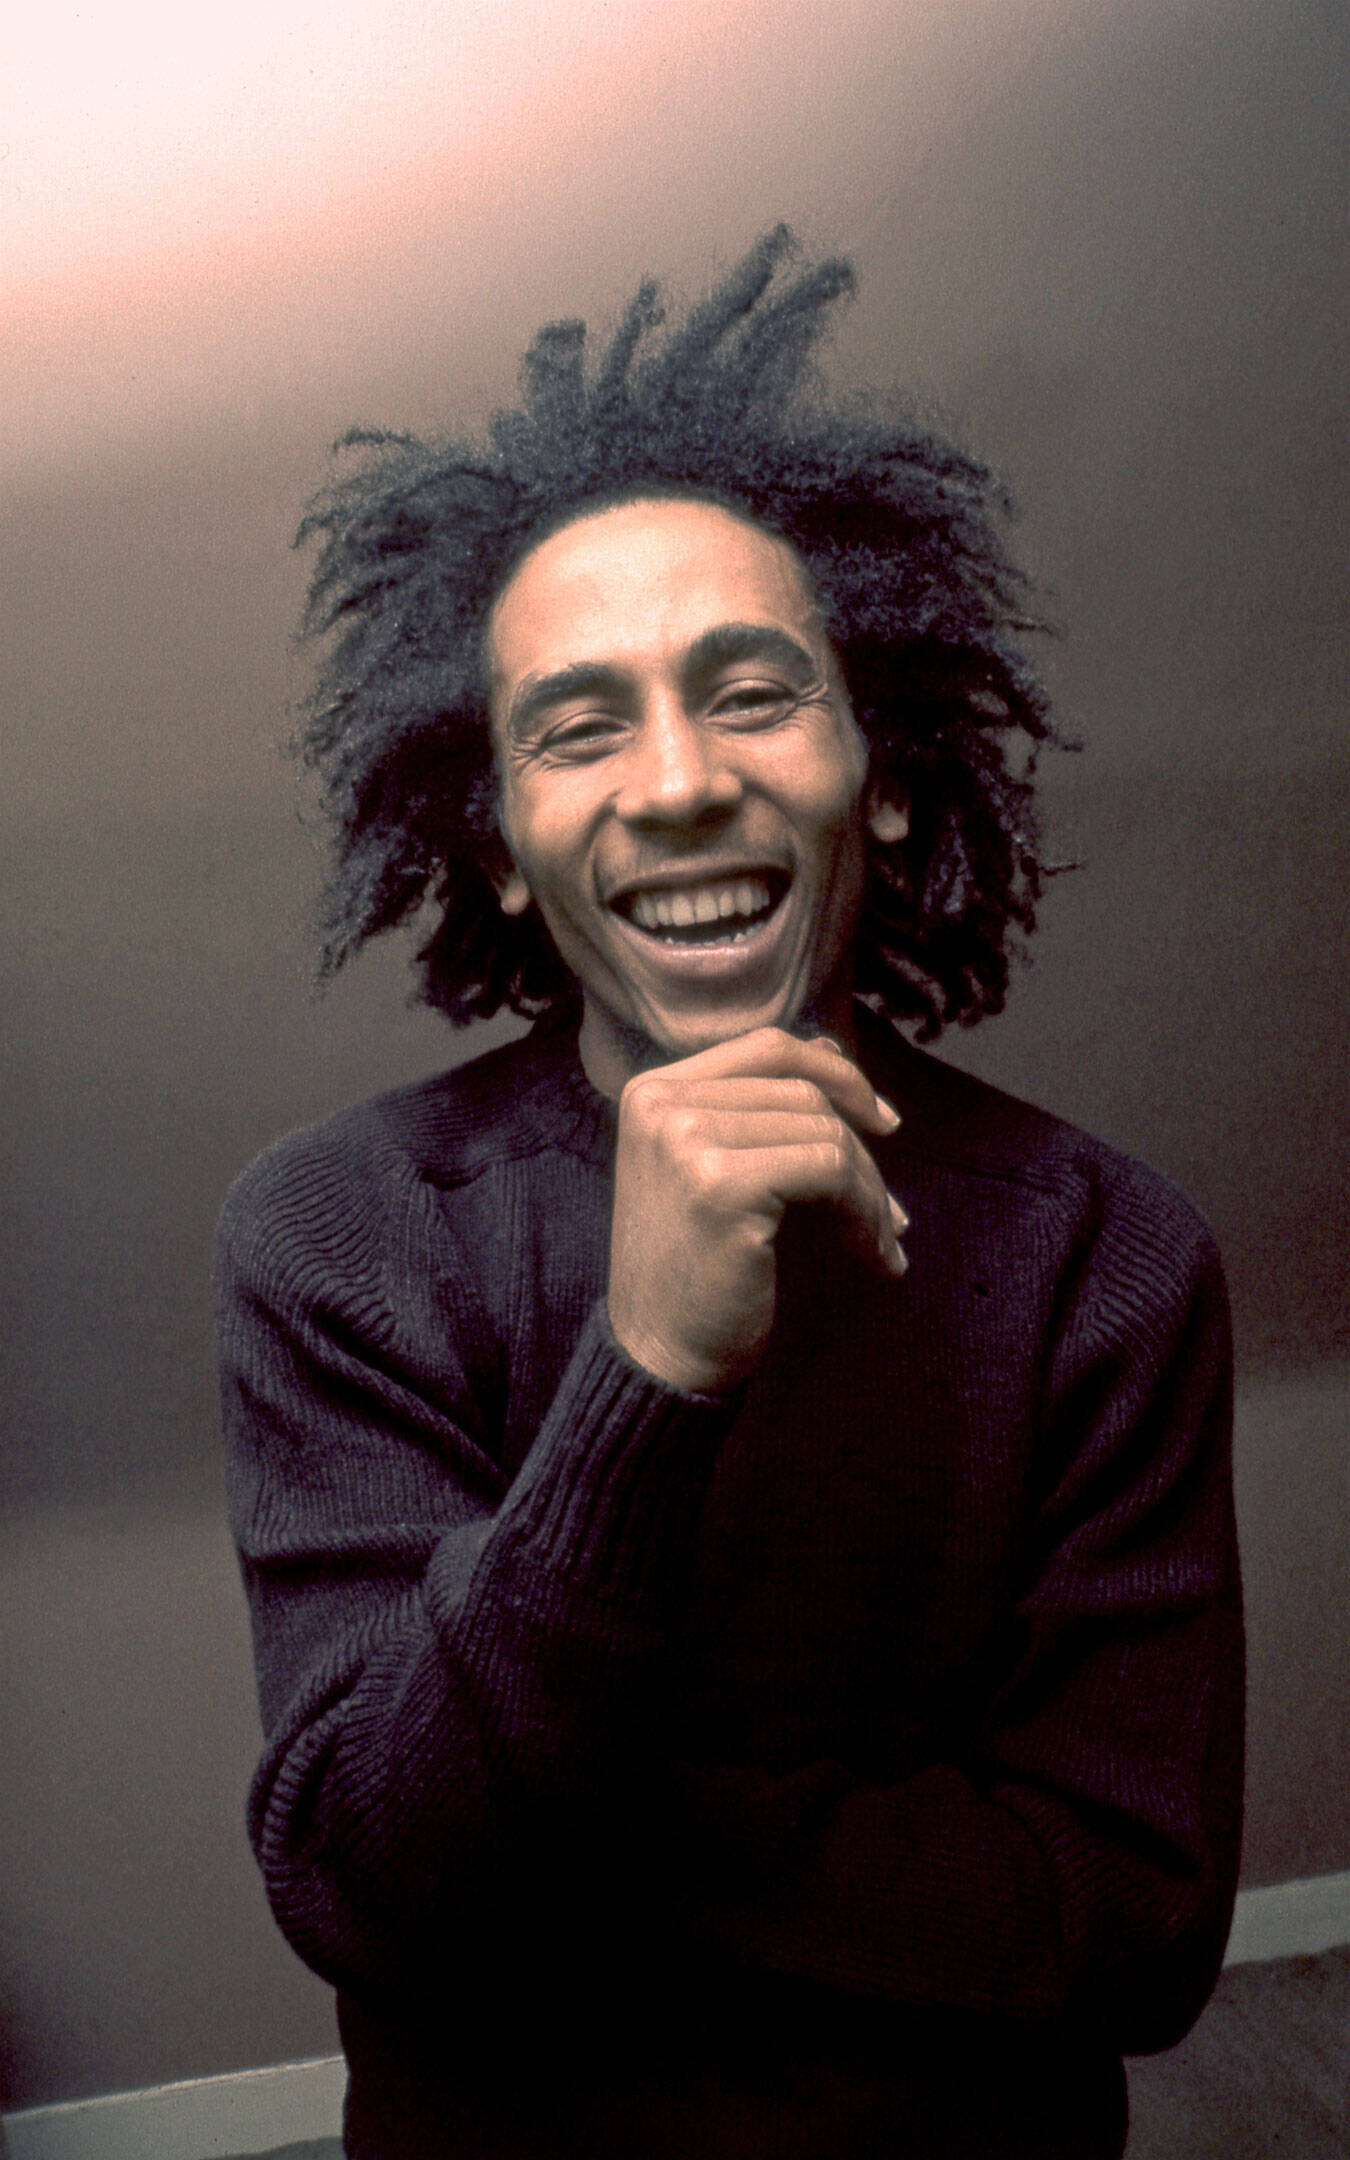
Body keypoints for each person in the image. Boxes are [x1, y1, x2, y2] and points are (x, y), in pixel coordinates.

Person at [215, 228, 1243, 2159]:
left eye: (752, 691)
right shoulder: (344, 1230)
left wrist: (580, 1839)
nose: (677, 782)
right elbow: (359, 1880)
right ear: (500, 845)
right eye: (578, 725)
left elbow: (1133, 1928)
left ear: (887, 776)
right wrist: (651, 1368)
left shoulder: (1105, 1255)